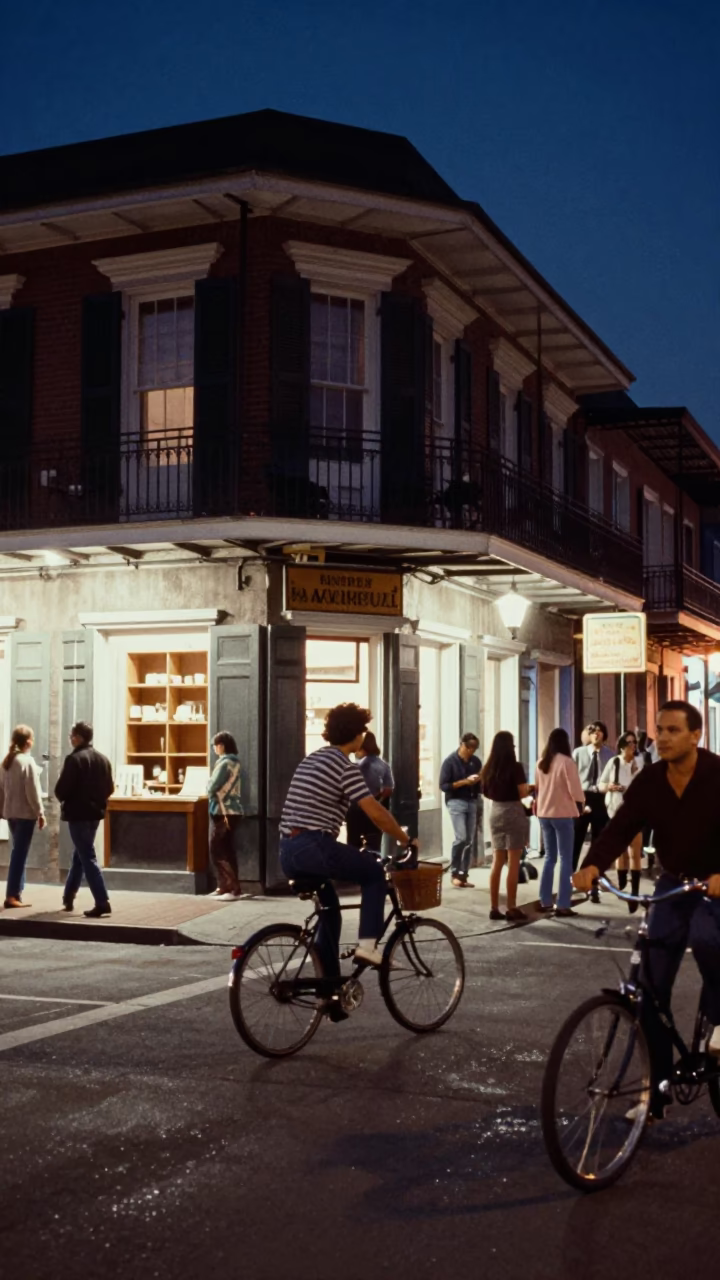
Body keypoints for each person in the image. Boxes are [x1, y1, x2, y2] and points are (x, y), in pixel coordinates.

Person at [573, 700, 720, 1120]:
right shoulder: (651, 780)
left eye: (674, 730)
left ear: (696, 735)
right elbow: (621, 827)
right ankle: (654, 1094)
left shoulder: (716, 774)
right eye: (660, 730)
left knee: (709, 938)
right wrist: (592, 865)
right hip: (674, 882)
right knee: (650, 989)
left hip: (714, 882)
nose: (663, 738)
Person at [279, 703, 418, 994]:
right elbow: (375, 812)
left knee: (331, 911)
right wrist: (405, 839)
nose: (364, 735)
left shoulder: (311, 759)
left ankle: (329, 991)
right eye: (363, 730)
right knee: (373, 873)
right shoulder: (345, 768)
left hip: (288, 850)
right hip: (313, 846)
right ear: (356, 734)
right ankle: (368, 945)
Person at [55, 721, 114, 918]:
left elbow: (61, 790)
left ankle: (102, 901)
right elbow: (110, 788)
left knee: (87, 855)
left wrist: (69, 799)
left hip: (78, 814)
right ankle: (68, 896)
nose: (70, 739)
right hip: (95, 814)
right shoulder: (103, 759)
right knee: (80, 854)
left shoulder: (74, 760)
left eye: (71, 735)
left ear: (78, 738)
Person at [535, 728, 585, 918]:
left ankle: (545, 900)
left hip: (544, 814)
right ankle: (563, 904)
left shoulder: (541, 762)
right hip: (562, 814)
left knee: (550, 857)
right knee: (566, 859)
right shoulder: (567, 762)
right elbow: (575, 790)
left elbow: (538, 788)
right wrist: (582, 804)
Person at [482, 730, 530, 922]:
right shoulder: (516, 767)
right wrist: (531, 788)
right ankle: (511, 907)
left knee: (497, 861)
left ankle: (494, 907)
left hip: (495, 812)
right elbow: (522, 792)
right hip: (513, 811)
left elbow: (485, 792)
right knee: (513, 862)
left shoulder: (489, 768)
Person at [0, 725, 46, 909]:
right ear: (28, 742)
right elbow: (33, 791)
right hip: (25, 814)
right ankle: (12, 895)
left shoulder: (7, 762)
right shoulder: (27, 762)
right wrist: (40, 812)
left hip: (11, 813)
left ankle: (16, 893)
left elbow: (1, 790)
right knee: (19, 854)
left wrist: (2, 810)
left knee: (18, 852)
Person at [598, 730, 644, 911]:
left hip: (635, 812)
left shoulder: (639, 763)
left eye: (634, 742)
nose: (632, 745)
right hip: (616, 811)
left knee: (634, 852)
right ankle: (623, 881)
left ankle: (634, 893)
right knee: (620, 852)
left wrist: (635, 774)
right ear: (622, 745)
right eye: (629, 742)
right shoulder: (614, 762)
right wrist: (609, 787)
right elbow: (601, 784)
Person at [572, 722, 614, 890]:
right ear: (588, 735)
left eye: (600, 731)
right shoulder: (578, 753)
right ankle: (570, 876)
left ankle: (593, 877)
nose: (596, 734)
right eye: (593, 731)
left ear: (604, 735)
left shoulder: (610, 755)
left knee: (598, 840)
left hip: (600, 798)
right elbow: (572, 778)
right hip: (582, 796)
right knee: (576, 838)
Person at [439, 732, 482, 888]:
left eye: (474, 748)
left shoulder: (476, 762)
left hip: (472, 800)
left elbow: (480, 784)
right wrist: (464, 782)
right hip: (456, 801)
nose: (471, 751)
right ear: (462, 744)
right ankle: (455, 872)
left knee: (469, 840)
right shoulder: (450, 762)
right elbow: (443, 786)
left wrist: (479, 781)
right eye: (469, 747)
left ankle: (463, 875)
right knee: (461, 837)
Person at [207, 731, 243, 900]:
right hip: (233, 810)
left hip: (222, 810)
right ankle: (227, 887)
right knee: (228, 849)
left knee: (217, 849)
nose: (214, 748)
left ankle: (229, 888)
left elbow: (211, 787)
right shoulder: (235, 762)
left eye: (215, 745)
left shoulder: (224, 763)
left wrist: (208, 785)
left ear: (221, 746)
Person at [345, 731, 394, 855]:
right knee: (373, 848)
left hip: (355, 812)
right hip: (375, 811)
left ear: (362, 747)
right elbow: (388, 789)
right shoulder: (384, 765)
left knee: (353, 848)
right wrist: (378, 800)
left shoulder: (356, 766)